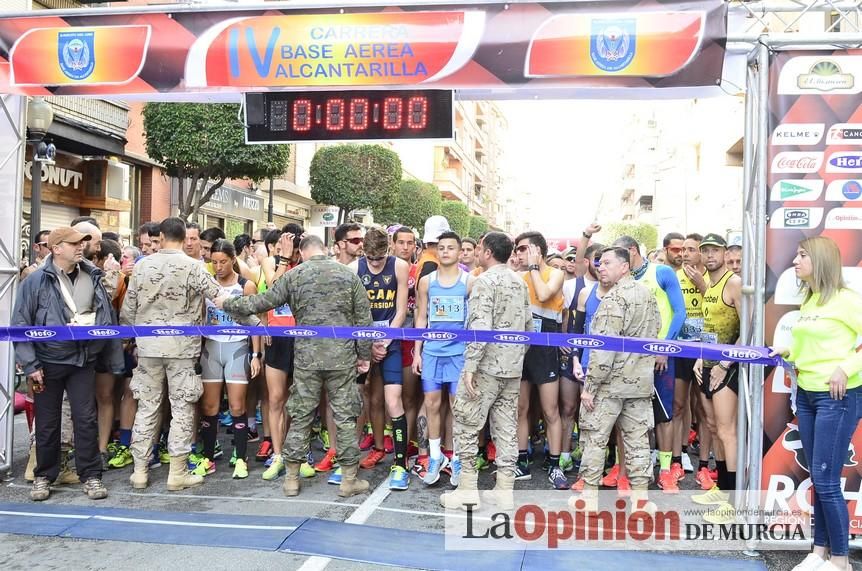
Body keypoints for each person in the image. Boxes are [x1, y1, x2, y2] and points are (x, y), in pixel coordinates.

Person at [220, 234, 374, 499]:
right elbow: (363, 320)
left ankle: (291, 478)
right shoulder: (349, 276)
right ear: (325, 250)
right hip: (341, 357)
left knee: (301, 416)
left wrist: (228, 303)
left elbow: (261, 302)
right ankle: (349, 479)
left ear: (301, 253)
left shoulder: (295, 275)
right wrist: (364, 356)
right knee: (345, 417)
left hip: (306, 357)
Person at [121, 217, 241, 491]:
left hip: (148, 348)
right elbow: (221, 298)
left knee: (147, 407)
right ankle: (177, 472)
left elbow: (128, 311)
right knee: (182, 408)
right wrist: (254, 323)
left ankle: (140, 470)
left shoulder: (141, 267)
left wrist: (131, 338)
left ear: (161, 237)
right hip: (182, 350)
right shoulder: (193, 267)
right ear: (182, 237)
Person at [13, 226, 123, 501]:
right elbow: (20, 325)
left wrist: (101, 351)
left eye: (82, 243)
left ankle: (91, 476)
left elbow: (105, 317)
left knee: (86, 420)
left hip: (82, 360)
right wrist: (30, 365)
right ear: (56, 248)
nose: (80, 247)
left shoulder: (92, 275)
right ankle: (43, 476)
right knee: (47, 423)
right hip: (46, 362)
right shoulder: (35, 281)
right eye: (74, 243)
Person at [772, 236, 862, 571]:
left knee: (826, 480)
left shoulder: (847, 301)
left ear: (820, 260)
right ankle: (819, 552)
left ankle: (840, 561)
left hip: (836, 398)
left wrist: (847, 368)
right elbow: (812, 349)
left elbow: (849, 353)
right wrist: (788, 352)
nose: (795, 261)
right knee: (819, 476)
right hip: (808, 396)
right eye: (795, 255)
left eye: (802, 256)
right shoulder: (810, 302)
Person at [440, 232, 532, 510]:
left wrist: (470, 367)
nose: (477, 252)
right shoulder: (519, 283)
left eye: (480, 248)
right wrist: (515, 356)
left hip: (486, 367)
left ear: (489, 252)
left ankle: (468, 489)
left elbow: (480, 327)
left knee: (467, 425)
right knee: (506, 428)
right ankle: (504, 490)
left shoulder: (484, 282)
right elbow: (529, 328)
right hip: (512, 367)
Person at [569, 247, 660, 513]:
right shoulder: (647, 295)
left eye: (607, 262)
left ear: (624, 267)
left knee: (595, 440)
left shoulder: (614, 300)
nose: (600, 267)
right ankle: (640, 501)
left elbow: (603, 350)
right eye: (599, 262)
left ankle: (589, 500)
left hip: (609, 385)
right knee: (638, 442)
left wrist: (590, 388)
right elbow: (655, 331)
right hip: (640, 382)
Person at [612, 235, 685, 493]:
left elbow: (680, 312)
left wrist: (664, 348)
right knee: (624, 414)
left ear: (632, 251)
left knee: (664, 415)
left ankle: (665, 471)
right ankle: (624, 471)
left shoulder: (662, 272)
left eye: (621, 255)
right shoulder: (622, 279)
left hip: (659, 357)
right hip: (629, 360)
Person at [413, 231, 474, 485]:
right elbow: (420, 317)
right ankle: (435, 458)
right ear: (436, 251)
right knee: (432, 405)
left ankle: (458, 459)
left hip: (458, 354)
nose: (445, 251)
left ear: (460, 252)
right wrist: (417, 352)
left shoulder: (469, 282)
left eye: (451, 247)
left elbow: (474, 321)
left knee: (458, 408)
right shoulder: (427, 281)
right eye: (441, 247)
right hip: (432, 353)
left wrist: (472, 358)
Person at [352, 228, 411, 490]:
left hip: (390, 339)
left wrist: (384, 341)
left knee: (391, 400)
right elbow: (351, 311)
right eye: (371, 259)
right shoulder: (354, 267)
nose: (375, 264)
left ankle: (401, 464)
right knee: (358, 399)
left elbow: (400, 311)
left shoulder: (399, 266)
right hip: (362, 340)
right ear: (364, 252)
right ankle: (350, 461)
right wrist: (366, 345)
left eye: (380, 258)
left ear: (387, 251)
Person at [692, 233, 743, 523]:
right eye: (705, 251)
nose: (710, 255)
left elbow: (748, 327)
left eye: (715, 250)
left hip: (728, 367)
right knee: (711, 426)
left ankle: (733, 501)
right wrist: (701, 357)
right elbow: (709, 327)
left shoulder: (732, 283)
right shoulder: (708, 283)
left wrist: (725, 362)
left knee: (726, 431)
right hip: (707, 363)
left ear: (724, 253)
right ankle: (722, 490)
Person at [514, 231, 567, 489]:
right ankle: (521, 461)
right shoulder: (519, 277)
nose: (518, 254)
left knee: (550, 410)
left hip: (546, 348)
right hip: (523, 348)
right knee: (521, 409)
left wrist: (534, 267)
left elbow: (545, 294)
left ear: (537, 251)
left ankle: (554, 464)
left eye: (523, 249)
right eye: (517, 249)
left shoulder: (555, 273)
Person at [674, 233, 709, 487]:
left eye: (690, 249)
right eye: (683, 249)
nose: (685, 253)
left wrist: (701, 286)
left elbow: (719, 308)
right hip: (679, 348)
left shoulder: (710, 277)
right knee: (679, 405)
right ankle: (678, 457)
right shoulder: (674, 276)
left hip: (705, 349)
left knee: (705, 410)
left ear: (701, 253)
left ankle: (705, 466)